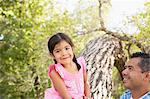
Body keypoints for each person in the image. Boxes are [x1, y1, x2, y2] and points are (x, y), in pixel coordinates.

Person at [44, 33, 90, 99]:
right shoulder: (55, 72)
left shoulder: (81, 63)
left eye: (66, 48)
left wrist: (87, 97)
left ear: (72, 48)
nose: (64, 53)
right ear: (52, 55)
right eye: (58, 51)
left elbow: (86, 83)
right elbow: (66, 97)